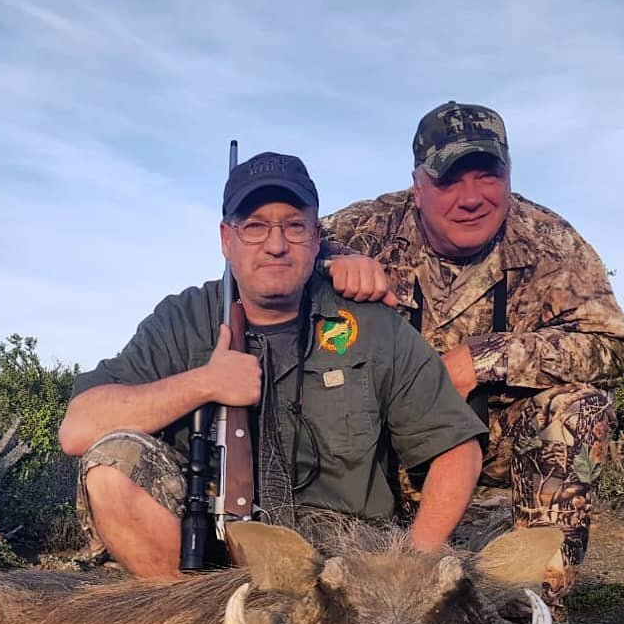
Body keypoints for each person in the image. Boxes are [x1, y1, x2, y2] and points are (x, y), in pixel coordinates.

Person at [58, 151, 487, 579]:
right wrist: (204, 383)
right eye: (256, 227)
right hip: (208, 560)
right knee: (111, 465)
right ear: (227, 239)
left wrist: (412, 565)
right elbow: (79, 428)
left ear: (318, 237)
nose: (276, 245)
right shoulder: (183, 318)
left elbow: (457, 449)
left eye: (294, 227)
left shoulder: (370, 323)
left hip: (343, 560)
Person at [320, 102, 624, 620]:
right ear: (418, 185)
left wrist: (481, 359)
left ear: (509, 174)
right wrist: (332, 261)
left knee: (582, 406)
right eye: (448, 179)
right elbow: (275, 252)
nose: (471, 198)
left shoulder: (549, 240)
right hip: (372, 459)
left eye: (488, 175)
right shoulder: (365, 228)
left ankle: (526, 610)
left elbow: (611, 346)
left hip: (486, 470)